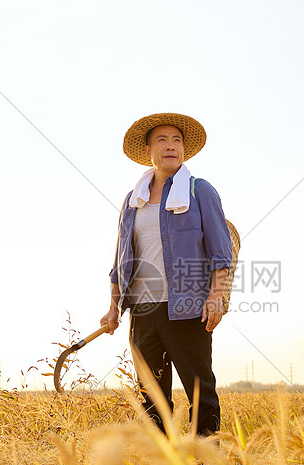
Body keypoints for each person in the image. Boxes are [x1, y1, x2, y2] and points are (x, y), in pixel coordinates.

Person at [100, 113, 233, 437]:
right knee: (151, 398)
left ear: (184, 150)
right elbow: (121, 260)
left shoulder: (199, 191)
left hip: (187, 309)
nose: (171, 146)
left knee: (200, 391)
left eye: (177, 140)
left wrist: (216, 296)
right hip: (144, 311)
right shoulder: (133, 201)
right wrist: (113, 306)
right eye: (162, 140)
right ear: (149, 150)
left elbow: (221, 251)